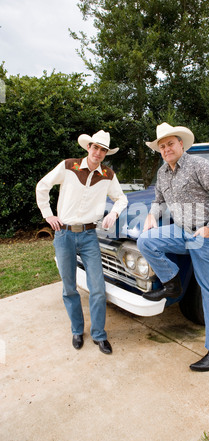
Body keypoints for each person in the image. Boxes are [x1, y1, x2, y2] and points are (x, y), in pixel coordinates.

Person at [137, 123, 209, 372]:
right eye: (162, 146)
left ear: (181, 144)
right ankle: (172, 282)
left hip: (206, 235)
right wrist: (151, 215)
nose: (166, 148)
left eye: (170, 143)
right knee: (145, 240)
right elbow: (158, 200)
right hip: (182, 230)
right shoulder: (162, 173)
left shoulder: (197, 165)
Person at [36, 130, 128, 354]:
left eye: (103, 150)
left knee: (97, 288)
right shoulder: (69, 166)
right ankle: (77, 330)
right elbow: (43, 186)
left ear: (105, 153)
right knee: (69, 288)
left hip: (89, 236)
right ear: (88, 147)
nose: (98, 152)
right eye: (95, 147)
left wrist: (113, 213)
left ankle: (98, 335)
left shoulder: (108, 174)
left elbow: (122, 198)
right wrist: (48, 214)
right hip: (64, 234)